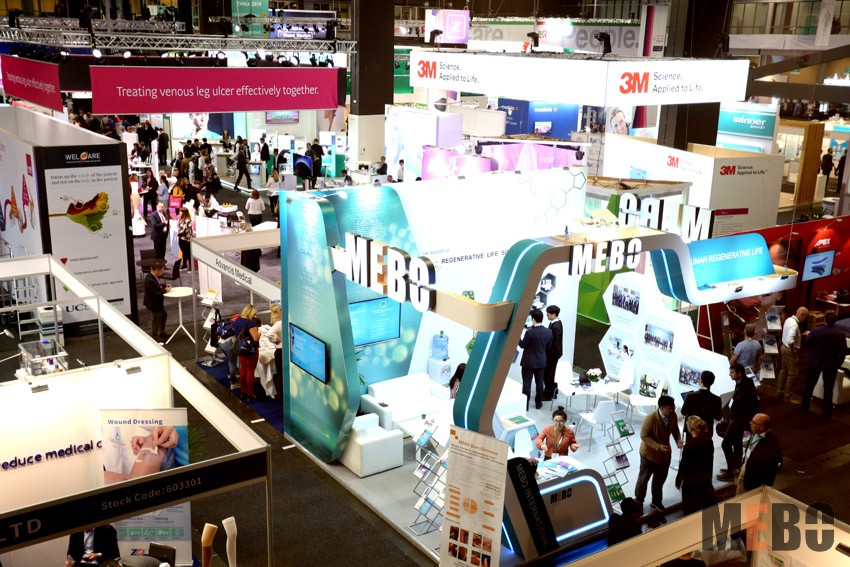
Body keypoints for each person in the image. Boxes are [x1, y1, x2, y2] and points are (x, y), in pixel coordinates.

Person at [635, 395, 682, 514]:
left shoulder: (672, 415)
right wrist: (658, 446)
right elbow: (644, 436)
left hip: (665, 455)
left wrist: (678, 440)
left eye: (673, 407)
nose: (673, 410)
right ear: (662, 408)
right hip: (649, 455)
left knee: (659, 480)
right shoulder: (650, 418)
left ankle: (656, 501)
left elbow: (675, 429)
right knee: (643, 479)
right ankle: (638, 502)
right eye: (670, 408)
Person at [718, 364, 759, 482]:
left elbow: (746, 406)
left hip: (739, 421)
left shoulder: (746, 386)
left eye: (732, 373)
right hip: (737, 420)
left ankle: (731, 471)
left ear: (739, 373)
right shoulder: (741, 383)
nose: (729, 375)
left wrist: (736, 421)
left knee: (726, 444)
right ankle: (735, 468)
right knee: (736, 445)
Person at [803, 310, 847, 417]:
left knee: (809, 385)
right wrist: (837, 364)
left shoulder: (816, 330)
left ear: (825, 319)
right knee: (828, 388)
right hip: (831, 365)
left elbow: (807, 343)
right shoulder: (841, 335)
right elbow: (843, 352)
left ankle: (805, 405)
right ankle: (827, 412)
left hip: (815, 361)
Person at [676, 416, 715, 515]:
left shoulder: (689, 446)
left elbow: (683, 466)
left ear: (690, 429)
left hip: (691, 484)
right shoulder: (709, 441)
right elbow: (710, 462)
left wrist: (678, 481)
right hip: (704, 480)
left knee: (690, 511)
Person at [737, 413, 783, 494]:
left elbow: (770, 470)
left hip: (755, 483)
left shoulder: (771, 445)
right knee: (738, 498)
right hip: (745, 472)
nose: (750, 423)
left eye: (754, 422)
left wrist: (764, 488)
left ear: (762, 427)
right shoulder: (754, 433)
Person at [518, 309, 552, 410]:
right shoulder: (549, 332)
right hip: (541, 362)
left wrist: (518, 337)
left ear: (533, 319)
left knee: (527, 384)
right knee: (540, 383)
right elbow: (549, 346)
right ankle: (538, 403)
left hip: (528, 362)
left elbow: (522, 345)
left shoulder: (529, 333)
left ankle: (525, 405)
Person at [777, 306, 808, 402]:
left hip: (783, 347)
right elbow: (790, 339)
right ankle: (787, 395)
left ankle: (779, 391)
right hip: (789, 350)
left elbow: (788, 334)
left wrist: (801, 334)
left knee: (783, 370)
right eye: (805, 317)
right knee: (793, 374)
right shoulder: (795, 325)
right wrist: (793, 349)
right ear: (801, 315)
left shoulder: (789, 320)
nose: (805, 319)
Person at [681, 370, 722, 441]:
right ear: (712, 383)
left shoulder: (691, 396)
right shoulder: (716, 399)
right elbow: (718, 417)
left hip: (692, 431)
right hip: (707, 432)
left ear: (701, 381)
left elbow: (683, 412)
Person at [231, 304, 261, 402]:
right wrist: (258, 334)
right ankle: (250, 394)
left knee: (243, 370)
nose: (255, 315)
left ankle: (243, 391)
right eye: (254, 313)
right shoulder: (250, 323)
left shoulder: (237, 320)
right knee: (250, 372)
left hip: (241, 348)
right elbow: (256, 338)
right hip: (250, 350)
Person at [143, 260, 169, 342]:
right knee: (156, 320)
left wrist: (164, 285)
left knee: (164, 315)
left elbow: (157, 285)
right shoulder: (150, 280)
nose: (162, 272)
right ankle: (155, 336)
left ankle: (162, 332)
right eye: (161, 271)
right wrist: (165, 290)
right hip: (154, 304)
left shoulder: (152, 276)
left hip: (158, 303)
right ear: (157, 270)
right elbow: (155, 294)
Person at [543, 305, 563, 401]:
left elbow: (553, 343)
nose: (547, 315)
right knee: (551, 373)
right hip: (553, 353)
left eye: (548, 314)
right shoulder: (555, 323)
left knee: (549, 374)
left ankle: (548, 394)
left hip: (552, 354)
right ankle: (553, 392)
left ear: (553, 314)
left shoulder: (556, 327)